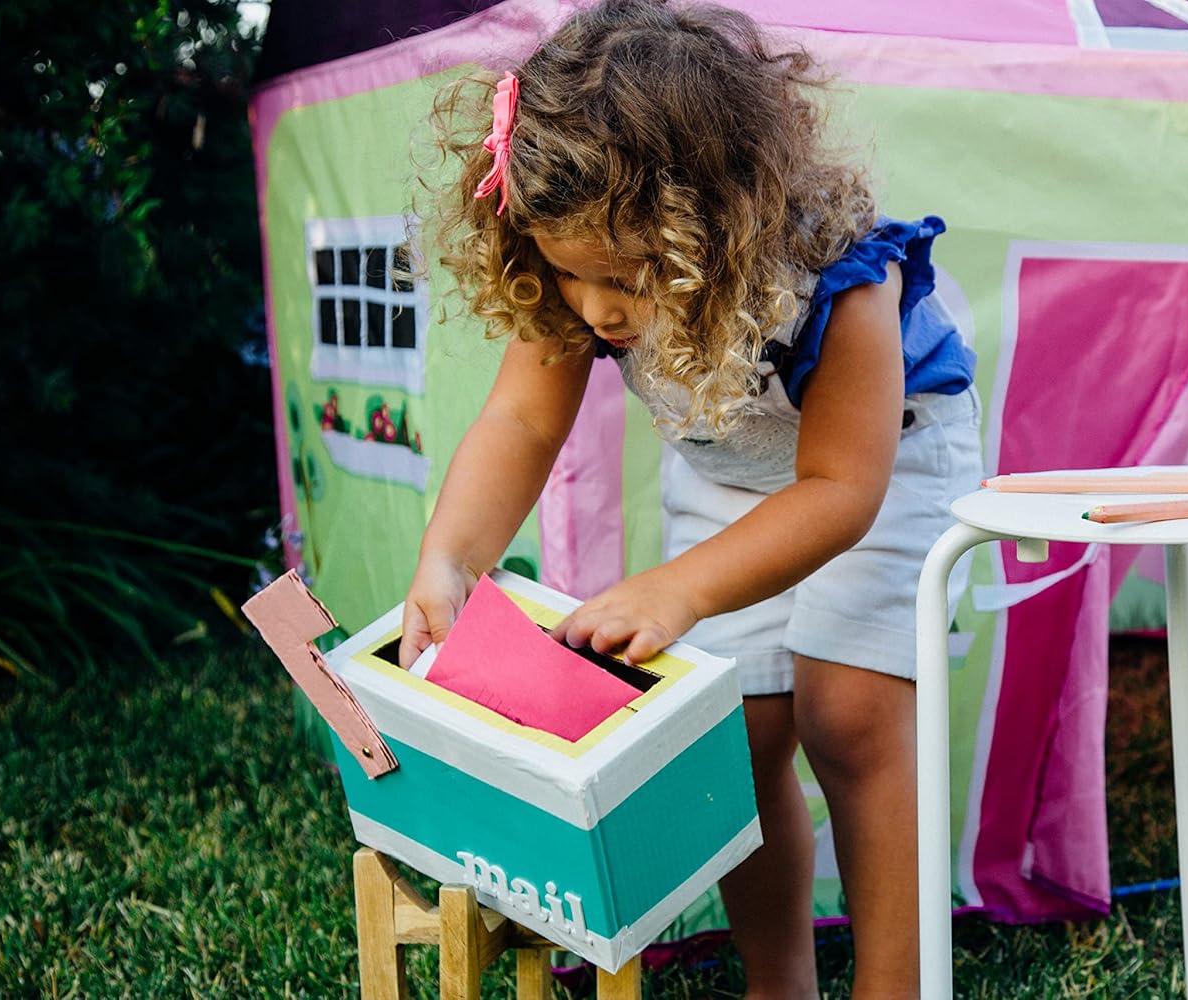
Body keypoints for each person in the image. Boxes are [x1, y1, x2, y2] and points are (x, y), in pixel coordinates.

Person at [399, 2, 980, 995]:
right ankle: (779, 980)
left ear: (713, 225)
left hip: (885, 472)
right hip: (728, 478)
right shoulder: (586, 274)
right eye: (569, 274)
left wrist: (679, 590)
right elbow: (522, 426)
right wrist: (448, 559)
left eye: (621, 277)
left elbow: (841, 492)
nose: (595, 307)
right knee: (730, 736)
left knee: (849, 718)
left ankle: (896, 984)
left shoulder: (846, 279)